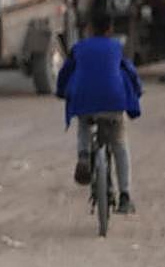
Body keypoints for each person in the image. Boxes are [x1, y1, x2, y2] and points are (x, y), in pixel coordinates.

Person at [56, 11, 142, 214]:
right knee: (120, 144)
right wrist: (137, 91)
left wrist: (61, 92)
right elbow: (129, 72)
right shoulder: (116, 48)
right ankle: (125, 196)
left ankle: (84, 155)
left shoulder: (78, 48)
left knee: (84, 124)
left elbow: (65, 73)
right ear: (110, 30)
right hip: (113, 101)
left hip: (85, 99)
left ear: (90, 29)